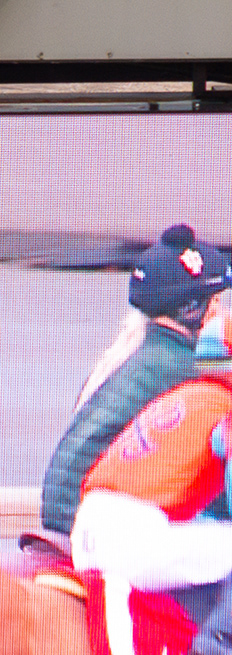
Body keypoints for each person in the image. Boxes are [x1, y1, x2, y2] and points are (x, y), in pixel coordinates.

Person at [73, 303, 232, 655]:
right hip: (134, 540)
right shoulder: (226, 412)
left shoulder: (181, 396)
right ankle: (220, 640)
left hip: (87, 532)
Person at [44, 225, 223, 535]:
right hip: (87, 525)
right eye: (217, 300)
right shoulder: (181, 368)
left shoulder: (137, 350)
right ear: (192, 310)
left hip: (70, 516)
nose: (223, 310)